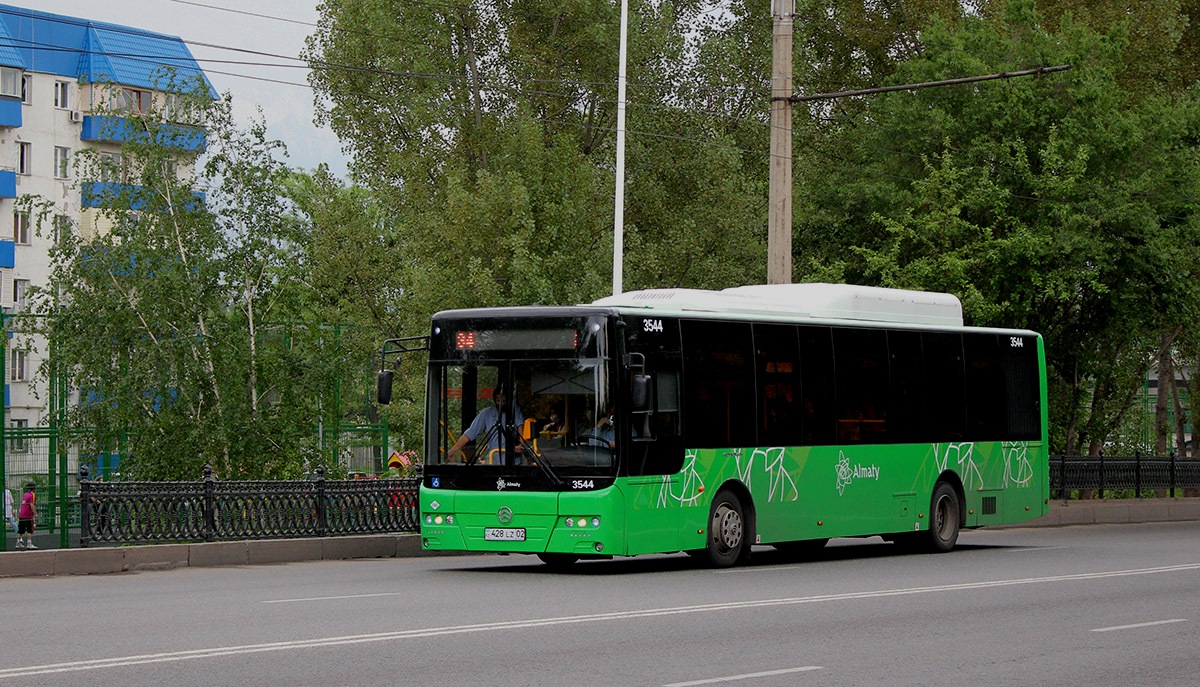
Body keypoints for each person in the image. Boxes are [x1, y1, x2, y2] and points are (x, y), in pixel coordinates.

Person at [446, 385, 525, 462]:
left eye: (504, 401)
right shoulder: (487, 413)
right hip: (493, 461)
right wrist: (453, 450)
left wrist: (521, 445)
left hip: (513, 462)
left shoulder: (514, 410)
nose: (502, 404)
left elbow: (520, 425)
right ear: (494, 400)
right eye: (499, 401)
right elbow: (470, 433)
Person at [17, 483, 37, 550]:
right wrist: (35, 513)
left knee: (20, 530)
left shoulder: (25, 494)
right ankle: (29, 543)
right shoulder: (32, 495)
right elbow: (31, 504)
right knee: (29, 530)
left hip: (22, 514)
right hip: (27, 515)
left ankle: (18, 543)